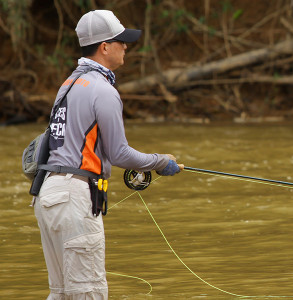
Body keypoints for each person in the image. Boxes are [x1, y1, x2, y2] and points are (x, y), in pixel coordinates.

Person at [33, 10, 184, 299]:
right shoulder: (103, 90)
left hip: (47, 195)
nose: (125, 46)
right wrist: (160, 162)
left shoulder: (67, 86)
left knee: (62, 293)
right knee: (89, 293)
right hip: (75, 198)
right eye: (121, 41)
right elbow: (119, 153)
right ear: (104, 47)